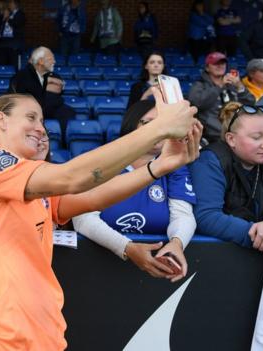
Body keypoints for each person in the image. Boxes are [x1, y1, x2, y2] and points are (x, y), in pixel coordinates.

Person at [0, 91, 201, 350]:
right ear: (1, 120)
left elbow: (92, 196)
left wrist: (158, 167)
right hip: (7, 341)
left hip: (46, 335)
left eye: (42, 121)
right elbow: (73, 177)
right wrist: (158, 129)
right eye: (31, 117)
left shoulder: (33, 185)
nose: (40, 128)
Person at [72, 100, 196, 281]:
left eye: (164, 122)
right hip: (94, 269)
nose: (159, 128)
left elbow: (183, 215)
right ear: (132, 125)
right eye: (148, 122)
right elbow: (82, 219)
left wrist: (177, 243)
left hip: (152, 275)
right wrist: (127, 247)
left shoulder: (176, 166)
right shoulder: (103, 159)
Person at [190, 102, 263, 250]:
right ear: (231, 139)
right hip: (215, 257)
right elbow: (206, 217)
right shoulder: (210, 161)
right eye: (257, 137)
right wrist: (256, 233)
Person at [188, 51, 254, 143]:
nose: (220, 66)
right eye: (215, 63)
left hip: (237, 131)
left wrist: (239, 86)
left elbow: (250, 104)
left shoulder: (232, 84)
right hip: (212, 136)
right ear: (207, 68)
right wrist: (220, 86)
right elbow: (198, 103)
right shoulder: (199, 85)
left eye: (222, 63)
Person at [9, 46, 75, 134]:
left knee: (68, 112)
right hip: (32, 106)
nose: (54, 62)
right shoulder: (22, 74)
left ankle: (63, 141)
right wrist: (48, 82)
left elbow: (58, 87)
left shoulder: (53, 74)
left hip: (55, 106)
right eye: (50, 59)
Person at [0, 0, 25, 66]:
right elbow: (0, 26)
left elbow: (16, 24)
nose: (9, 5)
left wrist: (7, 18)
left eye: (10, 3)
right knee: (2, 63)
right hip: (4, 42)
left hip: (14, 43)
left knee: (13, 64)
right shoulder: (9, 13)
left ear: (15, 4)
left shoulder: (21, 14)